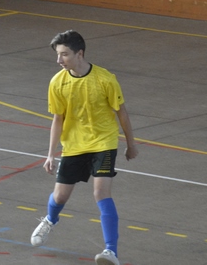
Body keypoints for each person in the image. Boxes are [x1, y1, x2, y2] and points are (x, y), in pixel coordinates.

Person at [30, 30, 138, 265]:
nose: (59, 60)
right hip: (74, 145)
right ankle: (50, 219)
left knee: (101, 193)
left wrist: (130, 144)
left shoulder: (105, 79)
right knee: (60, 196)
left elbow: (122, 113)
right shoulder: (57, 82)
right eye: (58, 54)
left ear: (80, 54)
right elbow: (57, 119)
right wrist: (50, 154)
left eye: (64, 54)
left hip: (103, 142)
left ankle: (111, 252)